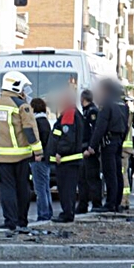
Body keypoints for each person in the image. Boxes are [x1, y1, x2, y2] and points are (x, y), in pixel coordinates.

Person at [0, 71, 42, 231]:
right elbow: (29, 130)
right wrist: (38, 151)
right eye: (23, 88)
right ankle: (21, 220)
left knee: (6, 190)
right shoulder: (21, 106)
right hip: (21, 155)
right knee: (23, 189)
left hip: (1, 155)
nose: (25, 92)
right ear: (16, 86)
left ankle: (9, 221)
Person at [86, 79, 128, 213]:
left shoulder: (106, 103)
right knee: (118, 173)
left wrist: (92, 145)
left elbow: (100, 126)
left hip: (108, 142)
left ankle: (110, 204)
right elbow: (126, 126)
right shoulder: (122, 104)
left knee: (110, 174)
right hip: (118, 141)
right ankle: (116, 203)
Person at [44, 94, 85, 222]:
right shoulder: (75, 114)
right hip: (72, 160)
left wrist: (60, 152)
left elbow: (67, 137)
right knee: (69, 188)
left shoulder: (69, 114)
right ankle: (68, 212)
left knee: (65, 188)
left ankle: (67, 214)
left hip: (66, 160)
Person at [76, 89, 102, 214]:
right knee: (82, 179)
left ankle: (96, 204)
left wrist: (91, 148)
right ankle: (83, 205)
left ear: (83, 99)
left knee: (92, 179)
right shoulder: (86, 112)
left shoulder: (92, 112)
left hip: (90, 151)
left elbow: (94, 132)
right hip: (84, 150)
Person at [30, 97, 53, 222]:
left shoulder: (37, 123)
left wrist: (38, 154)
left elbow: (39, 140)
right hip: (46, 158)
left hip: (39, 158)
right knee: (45, 187)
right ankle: (48, 212)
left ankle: (43, 214)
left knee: (40, 188)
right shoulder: (45, 121)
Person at [120, 97, 134, 209]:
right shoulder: (129, 113)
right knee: (124, 173)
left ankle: (124, 200)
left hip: (123, 148)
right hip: (127, 148)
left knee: (122, 174)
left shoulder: (125, 113)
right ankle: (125, 200)